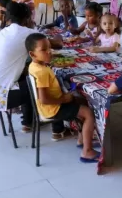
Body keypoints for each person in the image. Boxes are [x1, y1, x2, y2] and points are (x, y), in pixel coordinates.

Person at [0, 2, 63, 133]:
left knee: (28, 76)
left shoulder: (3, 32)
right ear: (27, 19)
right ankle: (56, 127)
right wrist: (60, 35)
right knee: (43, 81)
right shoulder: (27, 33)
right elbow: (57, 44)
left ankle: (28, 122)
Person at [26, 33, 100, 163]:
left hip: (50, 106)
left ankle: (82, 139)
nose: (49, 52)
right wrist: (64, 100)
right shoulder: (42, 72)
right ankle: (87, 152)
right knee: (88, 113)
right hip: (53, 108)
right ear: (32, 54)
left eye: (49, 47)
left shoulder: (35, 66)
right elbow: (44, 99)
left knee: (83, 101)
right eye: (44, 50)